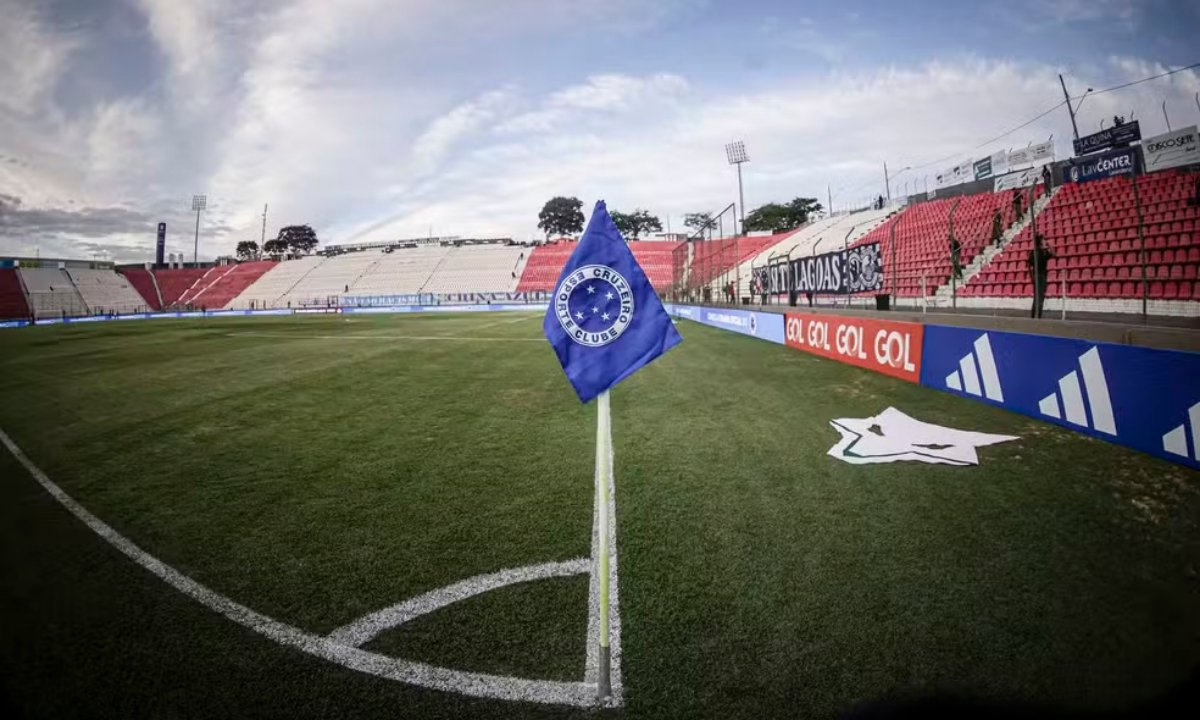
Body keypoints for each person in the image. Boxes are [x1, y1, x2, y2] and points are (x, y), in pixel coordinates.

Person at [1027, 233, 1055, 319]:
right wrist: (1049, 245)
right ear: (1040, 241)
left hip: (1036, 275)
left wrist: (1032, 276)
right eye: (1043, 240)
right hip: (1041, 276)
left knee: (1036, 297)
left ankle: (1033, 316)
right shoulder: (1043, 252)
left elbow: (1029, 265)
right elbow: (1054, 254)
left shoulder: (1033, 252)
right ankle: (1038, 316)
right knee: (1040, 297)